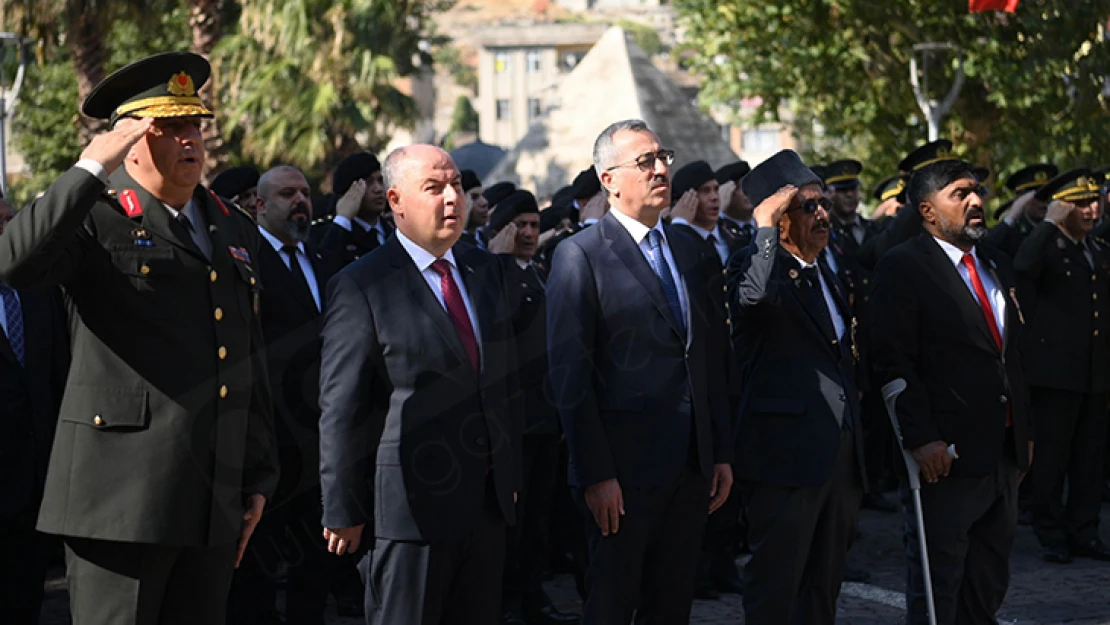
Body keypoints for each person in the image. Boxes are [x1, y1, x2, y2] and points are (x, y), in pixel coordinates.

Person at [0, 51, 278, 625]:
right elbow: (14, 264)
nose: (189, 140)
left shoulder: (231, 225)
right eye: (168, 127)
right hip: (119, 500)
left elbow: (246, 356)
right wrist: (88, 167)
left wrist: (257, 472)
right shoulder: (95, 215)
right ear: (130, 139)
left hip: (212, 497)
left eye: (194, 124)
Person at [318, 144, 521, 625]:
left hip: (486, 505)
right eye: (434, 188)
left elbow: (504, 380)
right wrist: (342, 505)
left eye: (455, 186)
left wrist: (510, 475)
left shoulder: (485, 270)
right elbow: (342, 404)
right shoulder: (363, 283)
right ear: (396, 201)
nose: (452, 198)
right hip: (408, 514)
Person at [546, 119, 733, 624]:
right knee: (610, 604)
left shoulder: (689, 250)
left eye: (663, 157)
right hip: (622, 477)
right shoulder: (579, 255)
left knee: (670, 607)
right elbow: (570, 376)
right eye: (645, 162)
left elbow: (707, 356)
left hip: (689, 469)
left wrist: (716, 451)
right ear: (608, 180)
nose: (661, 169)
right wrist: (595, 473)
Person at [871, 158, 1033, 625]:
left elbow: (1012, 356)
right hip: (945, 457)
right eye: (959, 194)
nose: (976, 201)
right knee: (938, 582)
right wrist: (921, 438)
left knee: (988, 580)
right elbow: (893, 360)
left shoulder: (996, 265)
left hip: (1001, 454)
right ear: (927, 211)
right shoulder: (903, 268)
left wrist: (1024, 433)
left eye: (977, 191)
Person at [727, 150, 866, 625]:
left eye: (823, 203)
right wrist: (763, 231)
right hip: (785, 458)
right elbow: (754, 301)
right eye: (808, 206)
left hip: (838, 455)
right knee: (776, 586)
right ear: (779, 217)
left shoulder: (826, 267)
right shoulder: (753, 266)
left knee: (823, 586)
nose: (823, 214)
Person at [226, 165, 344, 624]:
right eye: (287, 194)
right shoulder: (245, 260)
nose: (300, 201)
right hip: (268, 441)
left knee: (314, 565)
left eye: (306, 193)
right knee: (258, 568)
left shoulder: (320, 260)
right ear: (259, 203)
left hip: (320, 442)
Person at [486, 190, 581, 625]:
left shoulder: (542, 272)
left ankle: (531, 594)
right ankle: (504, 599)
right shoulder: (490, 273)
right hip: (511, 419)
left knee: (539, 515)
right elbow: (497, 326)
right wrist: (500, 262)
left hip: (546, 416)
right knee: (512, 518)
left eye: (532, 225)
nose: (527, 233)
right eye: (518, 225)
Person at [1013, 168, 1110, 563]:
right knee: (1052, 459)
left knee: (1090, 459)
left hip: (1095, 373)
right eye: (1081, 204)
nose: (1090, 211)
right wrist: (1048, 223)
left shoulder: (1099, 249)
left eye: (1094, 202)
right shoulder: (1048, 247)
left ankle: (1084, 530)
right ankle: (1051, 532)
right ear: (1062, 206)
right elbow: (1021, 267)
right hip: (1055, 373)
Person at [0, 195, 69, 625]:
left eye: (8, 220)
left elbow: (59, 376)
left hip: (36, 490)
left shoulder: (41, 290)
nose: (4, 229)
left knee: (26, 602)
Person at [319, 152, 391, 265]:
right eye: (368, 182)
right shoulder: (334, 233)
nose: (378, 189)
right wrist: (343, 219)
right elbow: (325, 264)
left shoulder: (394, 228)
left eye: (380, 181)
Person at [984, 164, 1058, 259]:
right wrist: (1010, 218)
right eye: (1038, 197)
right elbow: (985, 249)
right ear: (1021, 200)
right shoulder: (1009, 234)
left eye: (1047, 196)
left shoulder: (1057, 230)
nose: (1043, 203)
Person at [715, 160, 756, 249]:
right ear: (727, 193)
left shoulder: (764, 224)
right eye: (741, 187)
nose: (749, 191)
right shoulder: (717, 229)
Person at [460, 169, 491, 248]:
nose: (484, 202)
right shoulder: (448, 245)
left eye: (483, 196)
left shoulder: (486, 240)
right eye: (474, 197)